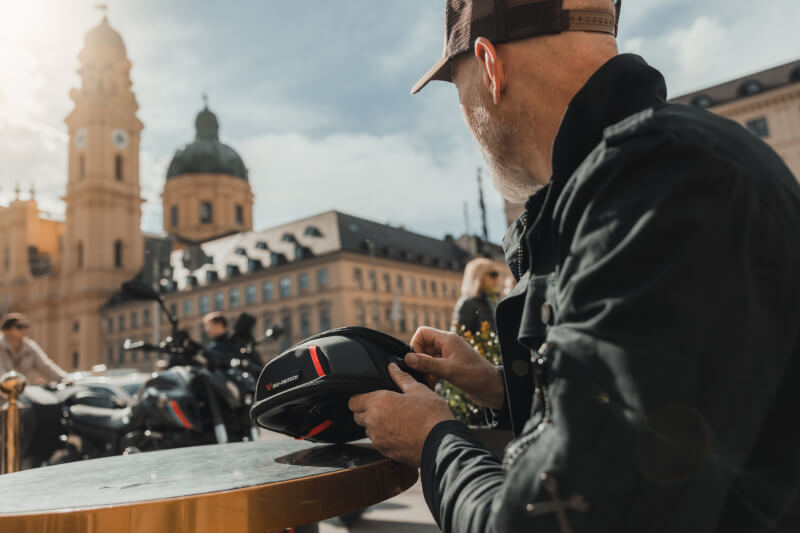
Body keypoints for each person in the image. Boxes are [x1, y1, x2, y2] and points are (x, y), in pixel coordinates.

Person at [348, 0, 800, 531]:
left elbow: (548, 520)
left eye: (459, 85)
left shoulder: (653, 184)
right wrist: (502, 386)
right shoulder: (657, 171)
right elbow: (653, 417)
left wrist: (434, 439)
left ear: (491, 67)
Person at [0, 313, 67, 385]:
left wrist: (65, 378)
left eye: (25, 326)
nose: (23, 330)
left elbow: (46, 366)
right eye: (19, 327)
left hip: (21, 390)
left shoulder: (30, 346)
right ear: (6, 330)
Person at [451, 258, 501, 335]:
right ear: (479, 276)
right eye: (493, 274)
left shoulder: (491, 300)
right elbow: (458, 336)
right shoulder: (467, 303)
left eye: (497, 274)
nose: (497, 279)